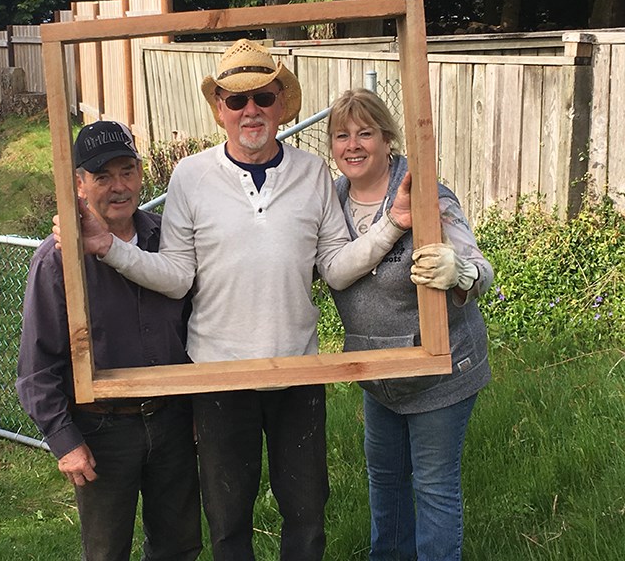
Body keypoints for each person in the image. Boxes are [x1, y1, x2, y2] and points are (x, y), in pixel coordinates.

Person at [53, 40, 411, 560]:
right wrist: (107, 247)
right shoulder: (191, 176)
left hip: (296, 371)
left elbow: (334, 266)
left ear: (281, 104)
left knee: (307, 513)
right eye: (235, 100)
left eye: (263, 97)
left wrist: (392, 227)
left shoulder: (312, 173)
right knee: (227, 520)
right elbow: (177, 276)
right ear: (218, 108)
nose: (250, 111)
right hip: (217, 373)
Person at [16, 121, 202, 561]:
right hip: (101, 429)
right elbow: (36, 368)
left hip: (173, 418)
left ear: (140, 173)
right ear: (80, 184)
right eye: (103, 176)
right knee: (105, 551)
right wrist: (65, 439)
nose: (119, 187)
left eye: (127, 171)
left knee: (180, 545)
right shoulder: (56, 261)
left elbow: (198, 327)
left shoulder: (169, 240)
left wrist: (199, 406)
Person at [326, 88, 493, 561]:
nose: (353, 145)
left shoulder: (426, 194)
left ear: (388, 138)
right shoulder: (332, 199)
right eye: (342, 135)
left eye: (365, 133)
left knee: (435, 486)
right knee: (386, 482)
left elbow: (480, 267)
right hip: (378, 373)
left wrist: (458, 271)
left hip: (441, 371)